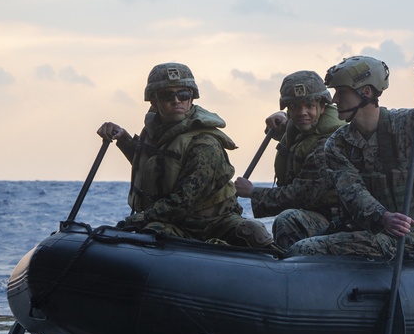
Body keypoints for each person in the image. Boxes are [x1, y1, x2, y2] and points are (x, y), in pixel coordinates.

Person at [287, 56, 414, 259]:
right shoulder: (337, 143)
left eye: (341, 92)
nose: (334, 100)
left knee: (303, 250)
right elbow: (353, 191)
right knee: (288, 223)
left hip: (398, 237)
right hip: (358, 228)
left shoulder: (410, 123)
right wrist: (382, 216)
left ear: (365, 92)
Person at [96, 62, 279, 252]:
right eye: (168, 95)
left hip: (212, 225)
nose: (176, 101)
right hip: (178, 225)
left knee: (250, 231)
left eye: (183, 95)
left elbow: (183, 202)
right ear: (154, 101)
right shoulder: (154, 132)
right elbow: (157, 165)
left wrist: (137, 219)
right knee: (151, 233)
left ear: (191, 98)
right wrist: (124, 139)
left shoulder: (205, 143)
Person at [234, 71, 345, 250]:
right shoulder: (303, 128)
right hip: (315, 213)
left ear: (322, 107)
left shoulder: (329, 146)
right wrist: (279, 126)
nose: (302, 113)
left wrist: (253, 192)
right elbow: (298, 140)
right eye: (294, 107)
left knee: (288, 220)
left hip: (335, 221)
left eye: (309, 105)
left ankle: (289, 270)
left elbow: (300, 196)